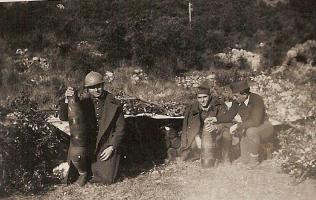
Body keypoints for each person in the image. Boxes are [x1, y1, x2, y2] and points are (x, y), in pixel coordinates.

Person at [59, 71, 126, 186]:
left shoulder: (114, 103)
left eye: (98, 86)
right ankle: (83, 173)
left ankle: (94, 169)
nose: (96, 90)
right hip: (87, 142)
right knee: (78, 155)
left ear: (103, 85)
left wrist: (112, 146)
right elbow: (64, 117)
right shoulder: (84, 102)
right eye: (92, 88)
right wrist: (67, 99)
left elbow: (120, 128)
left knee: (107, 178)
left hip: (105, 142)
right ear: (87, 89)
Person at [222, 81, 274, 168]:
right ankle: (252, 156)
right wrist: (215, 119)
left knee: (251, 131)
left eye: (236, 96)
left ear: (245, 95)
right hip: (249, 127)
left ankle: (254, 161)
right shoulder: (237, 101)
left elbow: (256, 121)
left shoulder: (257, 99)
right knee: (245, 160)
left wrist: (237, 126)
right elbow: (229, 115)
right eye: (234, 95)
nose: (234, 98)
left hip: (264, 126)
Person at [179, 86, 232, 165]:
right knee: (193, 148)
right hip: (199, 137)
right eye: (199, 98)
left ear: (210, 96)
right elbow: (189, 127)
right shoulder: (193, 108)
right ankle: (203, 156)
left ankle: (225, 158)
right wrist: (197, 138)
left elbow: (227, 122)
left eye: (205, 97)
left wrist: (216, 127)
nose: (202, 100)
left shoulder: (219, 106)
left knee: (226, 134)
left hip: (216, 135)